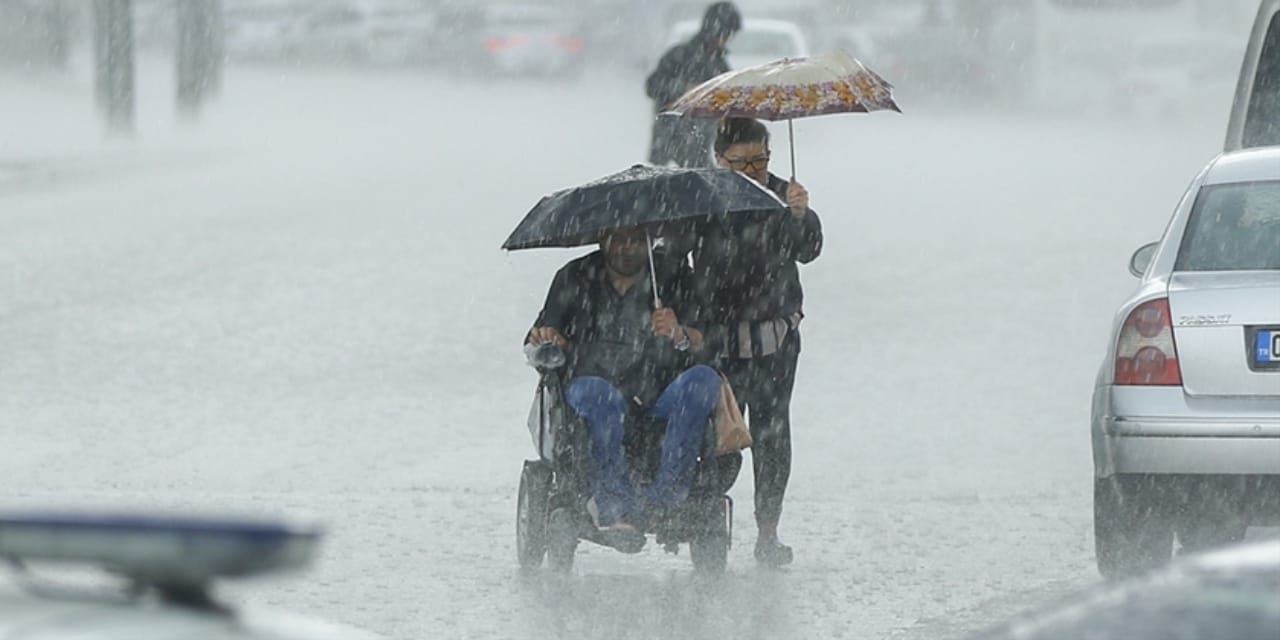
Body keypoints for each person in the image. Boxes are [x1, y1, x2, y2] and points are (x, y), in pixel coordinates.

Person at [526, 226, 719, 547]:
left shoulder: (673, 275)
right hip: (592, 388)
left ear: (648, 241)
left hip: (659, 393)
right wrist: (549, 339)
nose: (626, 248)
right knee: (597, 396)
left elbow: (709, 340)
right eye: (618, 239)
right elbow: (539, 337)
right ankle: (615, 506)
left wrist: (679, 333)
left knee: (703, 381)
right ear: (602, 238)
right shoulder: (574, 277)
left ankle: (666, 502)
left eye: (635, 240)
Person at [687, 117, 823, 567]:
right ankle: (707, 524)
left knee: (772, 433)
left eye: (760, 160)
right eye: (741, 162)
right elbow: (673, 254)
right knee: (721, 435)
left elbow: (809, 249)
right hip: (720, 343)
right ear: (719, 159)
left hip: (775, 341)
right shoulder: (702, 198)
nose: (752, 170)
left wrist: (801, 216)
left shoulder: (785, 197)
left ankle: (768, 530)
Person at [644, 2, 741, 168]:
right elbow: (652, 85)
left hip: (699, 146)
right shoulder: (679, 56)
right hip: (668, 144)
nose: (727, 40)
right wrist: (684, 89)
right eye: (726, 34)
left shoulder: (720, 66)